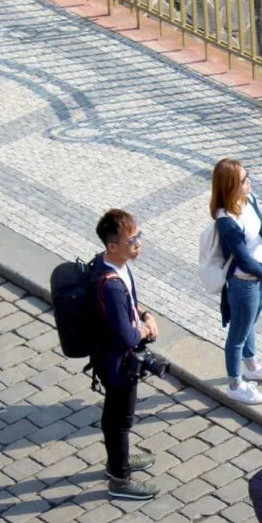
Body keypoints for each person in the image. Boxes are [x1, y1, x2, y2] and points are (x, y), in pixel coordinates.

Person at [211, 158, 262, 405]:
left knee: (248, 325)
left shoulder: (248, 200)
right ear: (230, 186)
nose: (249, 182)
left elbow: (260, 229)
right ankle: (235, 385)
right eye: (244, 180)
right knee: (237, 335)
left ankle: (252, 366)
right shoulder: (226, 221)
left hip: (260, 278)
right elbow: (244, 260)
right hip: (244, 282)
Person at [91, 209, 160, 500]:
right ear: (112, 246)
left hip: (110, 356)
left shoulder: (112, 266)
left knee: (116, 415)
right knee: (120, 420)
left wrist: (145, 314)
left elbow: (130, 304)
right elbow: (126, 336)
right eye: (132, 240)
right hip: (117, 363)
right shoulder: (112, 286)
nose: (138, 244)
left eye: (138, 236)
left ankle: (119, 459)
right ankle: (120, 478)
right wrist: (144, 330)